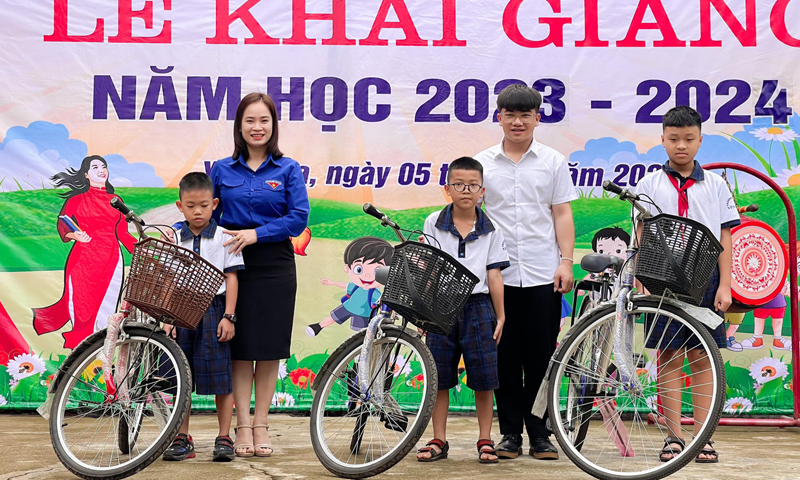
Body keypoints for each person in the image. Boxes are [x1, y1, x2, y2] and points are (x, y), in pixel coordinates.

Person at [475, 84, 577, 460]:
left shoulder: (552, 161)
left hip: (542, 273)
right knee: (503, 357)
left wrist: (566, 261)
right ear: (498, 116)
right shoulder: (481, 163)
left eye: (525, 115)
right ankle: (509, 434)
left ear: (538, 117)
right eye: (510, 114)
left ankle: (540, 434)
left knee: (540, 357)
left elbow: (561, 213)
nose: (517, 122)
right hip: (496, 277)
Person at [634, 105, 740, 464]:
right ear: (662, 139)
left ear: (700, 140)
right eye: (674, 139)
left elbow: (725, 236)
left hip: (705, 277)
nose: (682, 146)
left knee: (703, 356)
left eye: (689, 139)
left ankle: (702, 437)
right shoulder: (648, 184)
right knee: (668, 356)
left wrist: (725, 284)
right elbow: (643, 234)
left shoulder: (716, 185)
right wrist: (641, 279)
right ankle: (674, 436)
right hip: (662, 276)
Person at [211, 92, 310, 458]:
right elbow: (210, 215)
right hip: (233, 266)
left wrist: (257, 234)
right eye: (250, 120)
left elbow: (298, 218)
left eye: (264, 120)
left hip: (275, 265)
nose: (257, 127)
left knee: (268, 348)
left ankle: (261, 424)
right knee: (239, 348)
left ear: (273, 126)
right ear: (239, 126)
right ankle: (241, 426)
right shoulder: (221, 169)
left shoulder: (287, 169)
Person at [414, 156, 508, 464]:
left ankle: (485, 439)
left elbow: (494, 274)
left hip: (479, 307)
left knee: (484, 377)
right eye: (458, 184)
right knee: (439, 376)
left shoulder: (491, 228)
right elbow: (428, 269)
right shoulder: (433, 222)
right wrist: (424, 312)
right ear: (447, 189)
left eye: (472, 185)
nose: (465, 190)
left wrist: (501, 314)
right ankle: (439, 438)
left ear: (482, 190)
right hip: (442, 306)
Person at [161, 172, 244, 462]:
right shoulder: (173, 238)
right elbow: (169, 279)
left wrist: (229, 316)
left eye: (204, 205)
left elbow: (231, 278)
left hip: (214, 311)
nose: (198, 211)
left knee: (222, 378)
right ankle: (182, 438)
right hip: (180, 312)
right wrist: (167, 317)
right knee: (180, 378)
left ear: (215, 204)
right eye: (191, 205)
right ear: (180, 205)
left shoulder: (225, 238)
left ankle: (224, 437)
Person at [33, 155, 137, 349]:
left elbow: (122, 232)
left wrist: (141, 249)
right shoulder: (76, 200)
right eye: (95, 167)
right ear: (87, 174)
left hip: (112, 260)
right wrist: (75, 235)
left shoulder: (115, 200)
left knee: (107, 308)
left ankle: (100, 360)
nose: (101, 170)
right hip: (83, 259)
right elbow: (62, 224)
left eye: (104, 166)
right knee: (81, 308)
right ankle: (79, 358)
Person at [306, 237, 394, 336]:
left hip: (363, 314)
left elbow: (383, 300)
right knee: (332, 318)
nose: (367, 275)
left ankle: (360, 348)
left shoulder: (374, 292)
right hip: (348, 306)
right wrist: (333, 283)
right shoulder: (356, 286)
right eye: (359, 269)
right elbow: (346, 285)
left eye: (377, 271)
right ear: (347, 268)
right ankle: (318, 326)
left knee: (360, 334)